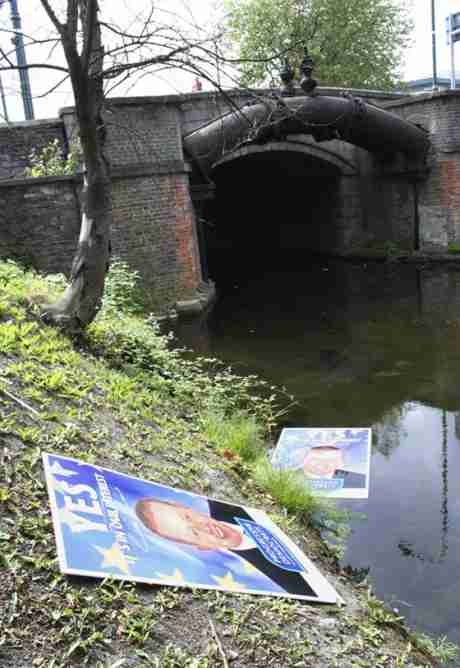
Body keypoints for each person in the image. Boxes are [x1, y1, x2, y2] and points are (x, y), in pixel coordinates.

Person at [135, 497, 317, 597]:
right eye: (194, 534)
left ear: (184, 506)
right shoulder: (287, 583)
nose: (202, 527)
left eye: (187, 518)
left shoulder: (236, 508)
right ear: (202, 547)